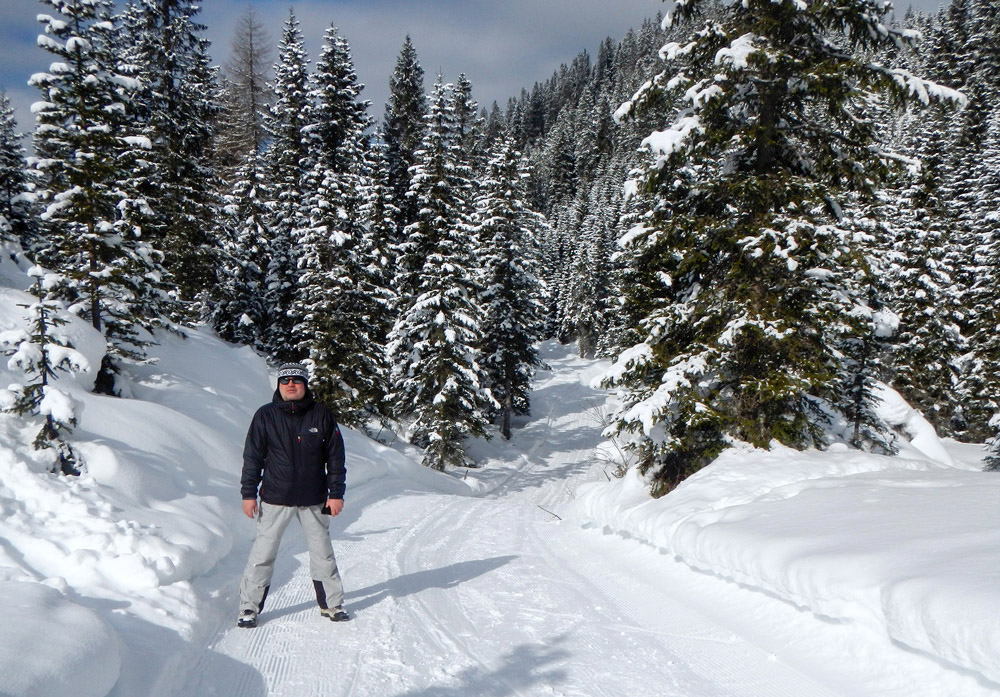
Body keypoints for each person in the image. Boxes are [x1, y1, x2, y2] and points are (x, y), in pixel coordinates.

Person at [237, 362, 349, 628]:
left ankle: (332, 604)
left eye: (296, 381)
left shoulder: (321, 414)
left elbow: (335, 458)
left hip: (314, 498)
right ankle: (248, 608)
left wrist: (336, 493)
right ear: (278, 385)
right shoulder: (265, 415)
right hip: (275, 497)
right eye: (285, 380)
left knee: (323, 553)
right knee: (262, 554)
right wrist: (248, 494)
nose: (290, 385)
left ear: (305, 385)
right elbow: (252, 457)